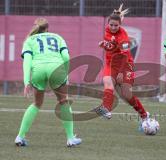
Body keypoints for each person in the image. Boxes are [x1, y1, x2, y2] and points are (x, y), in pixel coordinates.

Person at [15, 18, 82, 147]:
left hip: (38, 71)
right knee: (63, 101)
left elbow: (27, 61)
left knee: (37, 103)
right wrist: (66, 74)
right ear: (47, 28)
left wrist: (26, 81)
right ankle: (70, 139)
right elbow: (66, 57)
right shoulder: (57, 37)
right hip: (56, 69)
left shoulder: (29, 40)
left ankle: (20, 137)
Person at [95, 4, 149, 125]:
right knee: (107, 81)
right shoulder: (107, 31)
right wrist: (104, 44)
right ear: (108, 24)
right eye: (111, 25)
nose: (113, 27)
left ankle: (144, 115)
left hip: (125, 65)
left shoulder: (123, 36)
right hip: (111, 63)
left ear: (120, 25)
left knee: (126, 95)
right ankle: (106, 109)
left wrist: (120, 73)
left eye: (116, 25)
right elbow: (111, 46)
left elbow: (124, 55)